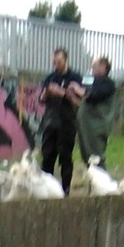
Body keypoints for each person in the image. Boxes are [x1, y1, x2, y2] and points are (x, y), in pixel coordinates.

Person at [39, 47, 84, 195]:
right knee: (47, 157)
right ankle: (46, 189)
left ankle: (65, 190)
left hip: (66, 124)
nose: (56, 65)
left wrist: (62, 93)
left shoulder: (75, 77)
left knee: (65, 158)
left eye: (58, 62)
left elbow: (79, 103)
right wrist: (47, 92)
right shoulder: (50, 77)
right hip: (50, 123)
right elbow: (41, 99)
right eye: (54, 62)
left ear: (65, 60)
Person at [77, 57, 117, 169]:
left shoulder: (108, 83)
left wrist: (81, 91)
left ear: (103, 67)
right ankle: (94, 183)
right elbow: (84, 98)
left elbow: (94, 95)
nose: (92, 69)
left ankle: (103, 184)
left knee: (96, 158)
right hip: (86, 128)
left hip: (96, 128)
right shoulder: (92, 81)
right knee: (87, 157)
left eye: (94, 66)